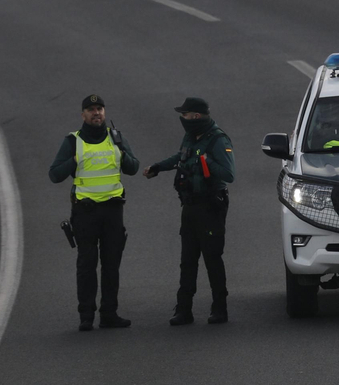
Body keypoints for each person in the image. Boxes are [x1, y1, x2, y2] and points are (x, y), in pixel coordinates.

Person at [48, 94, 139, 331]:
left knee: (111, 265)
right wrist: (76, 160)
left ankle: (109, 313)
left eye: (99, 109)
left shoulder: (115, 137)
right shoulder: (73, 141)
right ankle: (86, 315)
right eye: (91, 110)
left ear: (104, 113)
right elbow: (55, 174)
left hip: (112, 211)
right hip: (85, 213)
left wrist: (122, 151)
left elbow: (133, 167)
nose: (96, 113)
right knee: (87, 265)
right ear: (83, 115)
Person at [142, 97, 235, 325]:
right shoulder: (191, 136)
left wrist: (207, 161)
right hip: (189, 206)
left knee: (212, 258)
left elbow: (229, 174)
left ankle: (219, 308)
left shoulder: (218, 139)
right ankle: (184, 309)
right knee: (187, 259)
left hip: (210, 207)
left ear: (195, 116)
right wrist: (158, 167)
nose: (181, 118)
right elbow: (181, 156)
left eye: (184, 115)